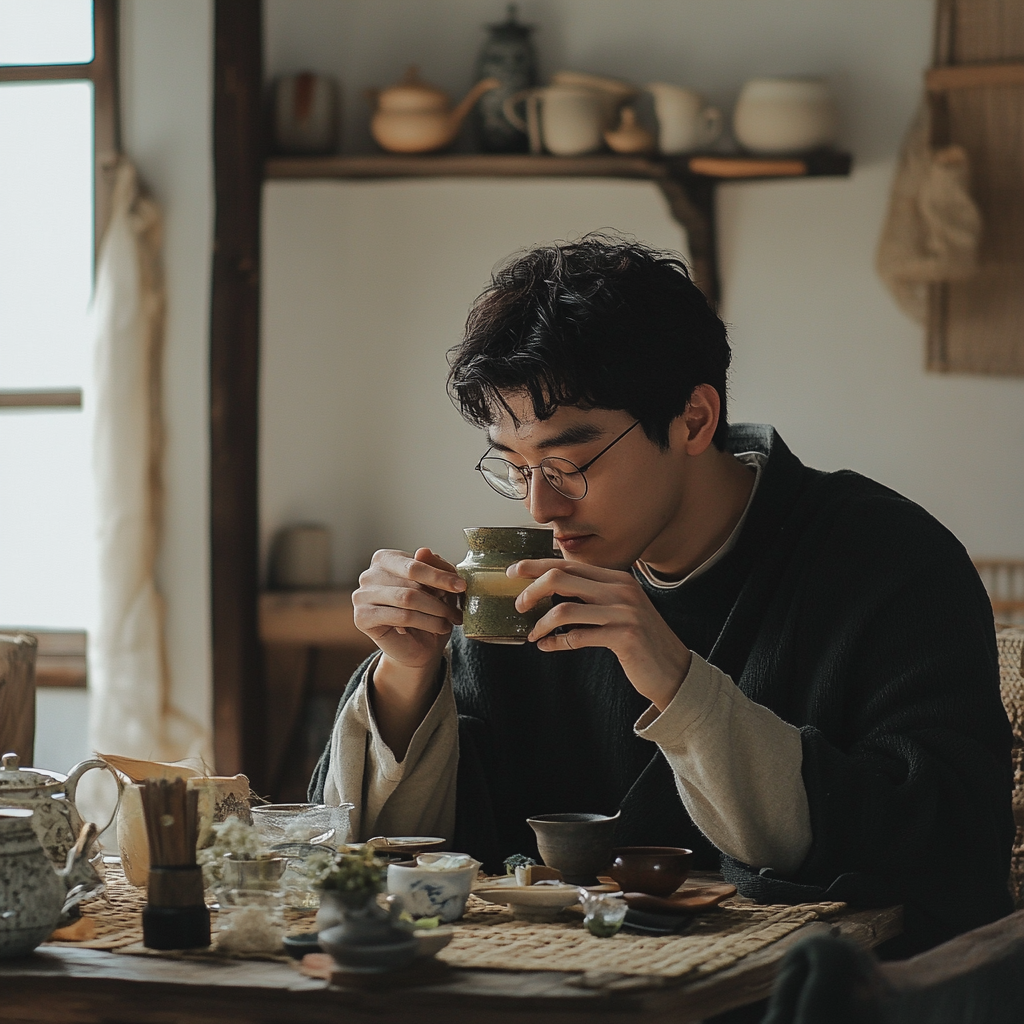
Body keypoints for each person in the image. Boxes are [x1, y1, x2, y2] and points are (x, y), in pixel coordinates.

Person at [310, 235, 1014, 955]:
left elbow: (951, 843)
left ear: (695, 420)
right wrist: (407, 674)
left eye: (568, 465)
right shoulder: (525, 584)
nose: (540, 508)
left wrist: (678, 683)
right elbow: (393, 862)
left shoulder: (890, 562)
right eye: (514, 468)